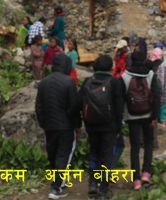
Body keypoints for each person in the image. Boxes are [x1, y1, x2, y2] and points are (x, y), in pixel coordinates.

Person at [76, 55, 124, 199]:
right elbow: (119, 107)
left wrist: (79, 121)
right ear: (110, 67)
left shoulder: (87, 81)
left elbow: (78, 102)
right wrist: (118, 128)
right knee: (107, 156)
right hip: (109, 126)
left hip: (91, 125)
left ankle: (92, 183)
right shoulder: (114, 82)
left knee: (94, 152)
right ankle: (103, 189)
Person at [35, 53, 80, 199]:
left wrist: (43, 123)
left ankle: (56, 183)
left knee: (53, 155)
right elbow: (74, 106)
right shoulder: (69, 82)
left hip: (49, 126)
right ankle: (56, 188)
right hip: (66, 126)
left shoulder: (43, 82)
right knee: (63, 155)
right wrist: (76, 124)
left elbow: (39, 107)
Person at [122, 51, 161, 190]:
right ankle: (146, 173)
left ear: (131, 60)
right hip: (148, 115)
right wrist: (155, 116)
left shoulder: (125, 76)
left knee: (134, 147)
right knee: (149, 143)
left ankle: (136, 180)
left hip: (132, 116)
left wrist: (122, 117)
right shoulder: (150, 75)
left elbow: (121, 98)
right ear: (144, 60)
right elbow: (156, 96)